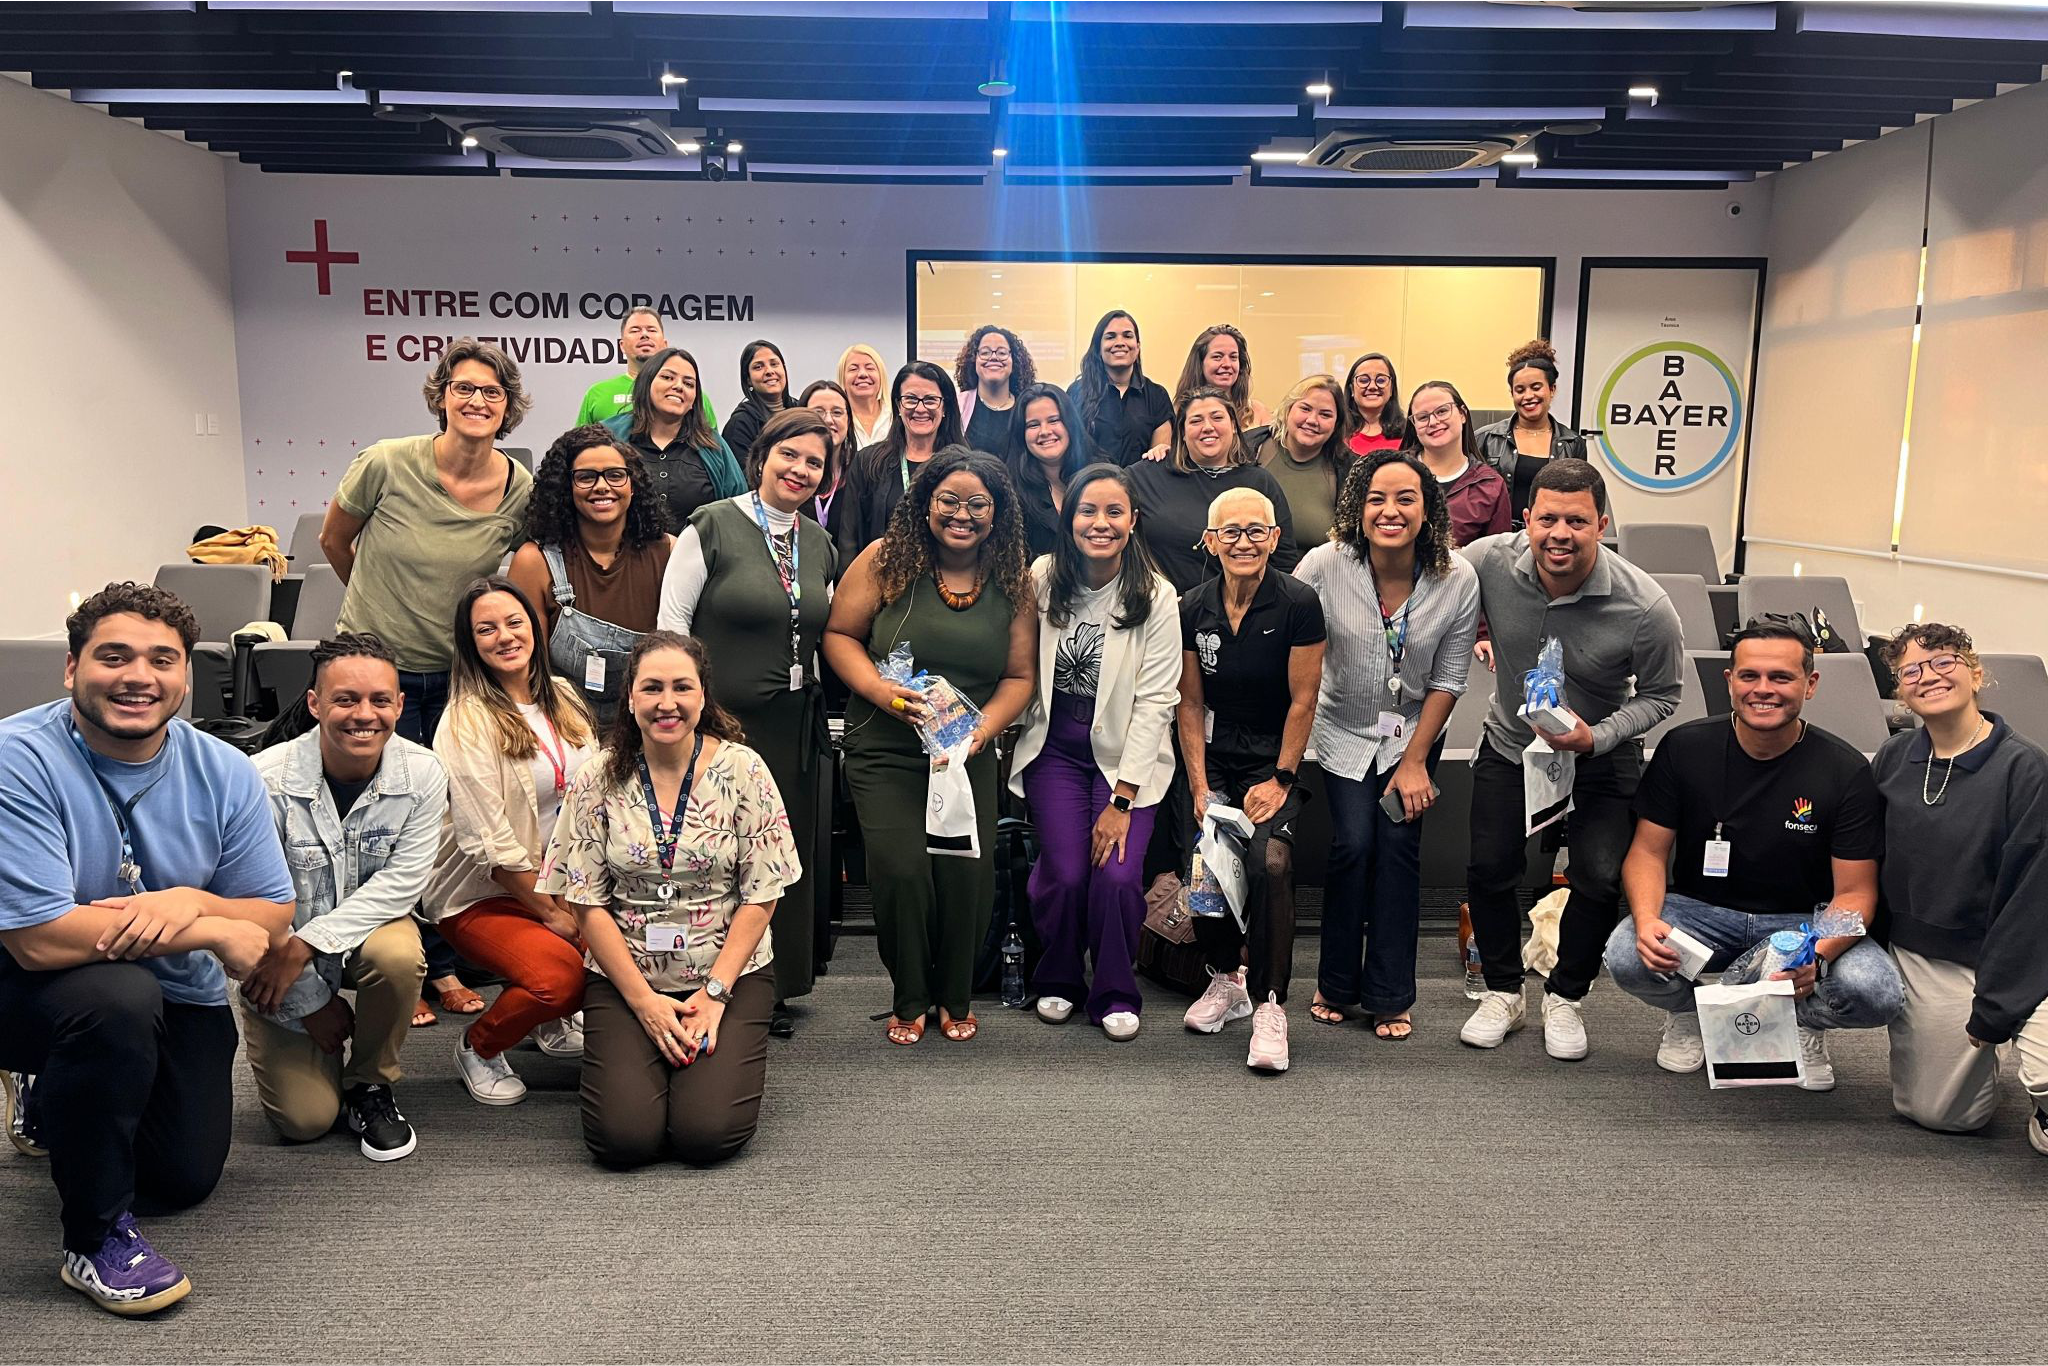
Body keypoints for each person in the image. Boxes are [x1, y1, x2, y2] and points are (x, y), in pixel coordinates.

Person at [0, 583, 292, 1316]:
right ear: (72, 668)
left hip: (172, 987)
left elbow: (272, 912)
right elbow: (38, 938)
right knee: (113, 1000)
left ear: (185, 676)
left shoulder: (224, 769)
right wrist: (210, 927)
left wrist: (188, 900)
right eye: (114, 656)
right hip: (25, 979)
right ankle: (94, 1240)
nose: (139, 676)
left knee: (177, 1181)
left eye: (163, 660)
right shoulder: (17, 757)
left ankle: (55, 1093)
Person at [538, 633, 798, 1169]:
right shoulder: (597, 777)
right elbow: (586, 903)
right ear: (630, 697)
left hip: (727, 970)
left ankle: (691, 1066)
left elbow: (762, 895)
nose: (667, 703)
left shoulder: (745, 771)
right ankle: (652, 1056)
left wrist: (716, 993)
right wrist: (643, 1003)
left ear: (703, 695)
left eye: (682, 687)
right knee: (623, 1141)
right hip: (627, 972)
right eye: (652, 688)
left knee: (706, 1135)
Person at [1605, 620, 1902, 1088]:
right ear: (1730, 681)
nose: (1763, 689)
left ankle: (1801, 1021)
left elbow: (1855, 894)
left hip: (1802, 922)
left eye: (1781, 677)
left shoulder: (1844, 770)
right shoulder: (1685, 748)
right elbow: (1646, 852)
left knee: (1876, 992)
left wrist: (1815, 956)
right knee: (1627, 953)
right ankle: (1692, 1013)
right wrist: (1645, 919)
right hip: (1701, 913)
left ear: (1810, 684)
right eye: (1749, 676)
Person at [1458, 458, 1683, 1060]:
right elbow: (1429, 585)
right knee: (1489, 868)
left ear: (1602, 525)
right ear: (1526, 519)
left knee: (1599, 877)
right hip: (1511, 744)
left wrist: (1598, 736)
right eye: (1548, 519)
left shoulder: (1645, 605)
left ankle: (1565, 997)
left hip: (1600, 754)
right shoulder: (1486, 561)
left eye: (1578, 521)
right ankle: (1503, 992)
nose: (1561, 533)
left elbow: (1664, 695)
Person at [823, 447, 1036, 1045]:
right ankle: (911, 995)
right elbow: (839, 635)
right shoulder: (885, 560)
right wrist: (879, 691)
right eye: (949, 500)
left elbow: (1020, 677)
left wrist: (982, 731)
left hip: (966, 754)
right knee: (902, 871)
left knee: (966, 875)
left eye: (978, 504)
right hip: (885, 747)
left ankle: (954, 996)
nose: (962, 514)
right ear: (925, 502)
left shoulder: (1014, 580)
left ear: (998, 514)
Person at [658, 407, 838, 1038]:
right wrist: (679, 713)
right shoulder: (710, 525)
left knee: (778, 857)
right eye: (790, 454)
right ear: (762, 456)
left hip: (793, 726)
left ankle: (773, 986)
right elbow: (671, 628)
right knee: (719, 854)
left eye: (814, 462)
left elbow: (818, 631)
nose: (800, 470)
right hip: (721, 728)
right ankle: (705, 982)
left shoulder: (819, 543)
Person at [1297, 452, 1480, 1039]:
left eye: (1406, 498)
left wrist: (1416, 761)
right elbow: (1293, 639)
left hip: (1414, 734)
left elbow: (1449, 678)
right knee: (1353, 844)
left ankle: (1390, 993)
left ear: (1428, 510)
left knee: (1398, 847)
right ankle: (1335, 983)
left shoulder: (1457, 577)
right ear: (1359, 507)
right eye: (1376, 498)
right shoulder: (1325, 564)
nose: (1390, 511)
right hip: (1342, 728)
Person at [244, 633, 440, 1160]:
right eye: (346, 699)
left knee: (398, 956)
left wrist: (306, 946)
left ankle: (370, 1080)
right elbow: (252, 902)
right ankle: (315, 1056)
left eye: (380, 700)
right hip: (275, 948)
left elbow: (402, 883)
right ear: (315, 703)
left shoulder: (423, 773)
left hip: (340, 937)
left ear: (400, 704)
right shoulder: (263, 781)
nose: (364, 715)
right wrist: (311, 1001)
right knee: (305, 1122)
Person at [1009, 463, 1180, 1039]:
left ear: (1133, 521)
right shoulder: (1043, 576)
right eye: (1088, 510)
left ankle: (1114, 990)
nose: (1100, 523)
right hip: (1055, 750)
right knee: (1063, 873)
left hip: (1128, 760)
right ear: (1069, 516)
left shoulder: (1156, 595)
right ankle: (1059, 976)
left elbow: (1157, 702)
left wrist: (1122, 800)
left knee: (1117, 876)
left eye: (1114, 512)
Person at [1874, 623, 2048, 1152]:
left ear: (1975, 674)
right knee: (1943, 1115)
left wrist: (1996, 1005)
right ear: (1900, 691)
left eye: (1943, 662)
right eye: (1911, 670)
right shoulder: (1892, 759)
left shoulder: (2026, 768)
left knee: (2046, 1067)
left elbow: (2032, 903)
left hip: (2021, 948)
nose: (1928, 676)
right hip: (1932, 954)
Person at [425, 577, 598, 1105]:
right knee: (562, 979)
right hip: (486, 893)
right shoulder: (464, 721)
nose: (504, 636)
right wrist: (553, 914)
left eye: (514, 622)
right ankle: (479, 1047)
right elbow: (490, 845)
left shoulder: (563, 697)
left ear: (535, 628)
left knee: (625, 954)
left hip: (562, 880)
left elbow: (593, 795)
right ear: (470, 643)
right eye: (486, 629)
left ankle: (547, 1022)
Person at [1176, 488, 1326, 1072]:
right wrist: (1199, 785)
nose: (1244, 542)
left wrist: (1282, 778)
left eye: (1255, 531)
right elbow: (1190, 704)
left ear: (1274, 537)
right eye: (1230, 532)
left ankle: (1269, 1002)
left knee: (1272, 864)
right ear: (1210, 542)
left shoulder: (1298, 602)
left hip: (1273, 760)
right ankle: (1226, 980)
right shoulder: (1192, 606)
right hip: (1214, 759)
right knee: (1205, 863)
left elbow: (1304, 699)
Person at [321, 337, 535, 745]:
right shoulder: (385, 462)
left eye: (493, 392)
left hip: (460, 674)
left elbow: (530, 567)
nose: (477, 401)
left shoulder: (520, 490)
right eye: (464, 388)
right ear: (441, 397)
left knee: (452, 783)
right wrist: (378, 603)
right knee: (377, 777)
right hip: (373, 666)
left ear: (508, 407)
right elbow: (332, 540)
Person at [507, 425, 675, 725]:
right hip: (564, 725)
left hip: (647, 726)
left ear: (633, 485)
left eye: (615, 475)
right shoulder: (535, 562)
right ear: (566, 488)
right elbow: (527, 672)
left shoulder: (669, 553)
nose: (602, 486)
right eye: (586, 477)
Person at [1126, 386, 1299, 593]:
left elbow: (1284, 561)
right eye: (1196, 421)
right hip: (1165, 605)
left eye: (1217, 418)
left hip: (1242, 608)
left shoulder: (1260, 483)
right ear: (1182, 432)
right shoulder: (1145, 477)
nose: (1207, 427)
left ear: (1233, 425)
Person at [601, 346, 747, 530]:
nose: (678, 386)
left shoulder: (713, 445)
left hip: (700, 549)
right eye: (668, 377)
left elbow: (739, 510)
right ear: (646, 383)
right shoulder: (607, 436)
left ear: (694, 400)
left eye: (689, 384)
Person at [842, 361, 964, 555]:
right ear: (898, 405)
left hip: (944, 573)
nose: (920, 408)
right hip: (880, 572)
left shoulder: (964, 466)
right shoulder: (868, 462)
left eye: (931, 400)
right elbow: (849, 539)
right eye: (910, 399)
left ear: (945, 407)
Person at [1476, 339, 1589, 529]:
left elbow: (1579, 501)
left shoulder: (1572, 443)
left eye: (1536, 387)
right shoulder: (1486, 438)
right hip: (1499, 538)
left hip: (1551, 537)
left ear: (1552, 389)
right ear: (1512, 394)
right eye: (1520, 390)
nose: (1528, 396)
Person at [1400, 379, 1512, 548]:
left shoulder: (1490, 486)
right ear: (1414, 425)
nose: (1433, 422)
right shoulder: (1393, 471)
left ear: (1462, 414)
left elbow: (1497, 556)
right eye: (1423, 417)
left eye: (1442, 411)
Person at [573, 307, 720, 429]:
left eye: (651, 330)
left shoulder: (690, 396)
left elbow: (711, 446)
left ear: (665, 344)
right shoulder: (597, 394)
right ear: (622, 346)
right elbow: (578, 446)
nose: (644, 335)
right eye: (635, 330)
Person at [1254, 374, 1352, 548]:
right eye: (1305, 409)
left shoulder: (1349, 470)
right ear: (1288, 409)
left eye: (1325, 414)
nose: (1312, 420)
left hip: (1317, 566)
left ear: (1336, 424)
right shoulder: (1251, 449)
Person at [1001, 381, 1096, 559]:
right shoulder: (1009, 489)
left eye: (1053, 420)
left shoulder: (1100, 475)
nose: (1044, 431)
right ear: (1021, 434)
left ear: (1070, 424)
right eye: (1033, 425)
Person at [1068, 309, 1172, 467]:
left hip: (1140, 482)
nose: (1120, 342)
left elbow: (1159, 459)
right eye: (1110, 337)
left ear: (1137, 346)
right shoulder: (1077, 393)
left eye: (1127, 336)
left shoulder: (1157, 396)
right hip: (1089, 482)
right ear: (1098, 347)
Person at [1148, 324, 1272, 450]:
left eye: (1233, 357)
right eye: (1217, 357)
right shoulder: (1178, 413)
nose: (1227, 364)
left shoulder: (1258, 413)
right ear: (1200, 363)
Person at [954, 324, 1037, 455]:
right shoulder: (957, 405)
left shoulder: (1027, 407)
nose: (993, 357)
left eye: (1002, 353)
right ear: (973, 360)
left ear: (1014, 360)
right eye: (985, 352)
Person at [719, 339, 795, 466]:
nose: (769, 371)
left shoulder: (802, 409)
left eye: (774, 364)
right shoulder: (740, 424)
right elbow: (741, 475)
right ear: (748, 379)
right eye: (758, 367)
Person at [800, 378, 859, 541]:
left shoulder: (862, 473)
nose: (828, 420)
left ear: (848, 420)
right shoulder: (792, 473)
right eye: (818, 412)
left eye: (837, 412)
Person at [1343, 352, 1406, 458]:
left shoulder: (1409, 433)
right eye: (1364, 380)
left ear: (1391, 389)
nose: (1372, 386)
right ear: (1352, 389)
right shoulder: (1337, 431)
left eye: (1381, 380)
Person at [838, 343, 892, 449]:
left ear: (881, 375)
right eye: (853, 369)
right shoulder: (836, 419)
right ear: (842, 378)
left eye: (870, 368)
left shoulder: (898, 416)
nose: (863, 374)